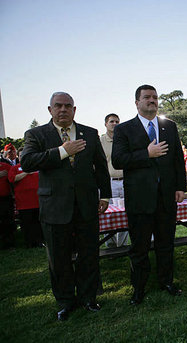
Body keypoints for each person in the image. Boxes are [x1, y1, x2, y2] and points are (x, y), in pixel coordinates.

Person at [20, 92, 111, 321]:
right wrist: (63, 151)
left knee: (88, 255)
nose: (63, 110)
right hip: (54, 207)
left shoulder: (89, 134)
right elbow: (27, 161)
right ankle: (65, 302)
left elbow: (100, 167)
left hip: (86, 206)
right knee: (59, 258)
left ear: (74, 109)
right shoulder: (36, 134)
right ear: (50, 109)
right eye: (58, 106)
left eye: (67, 106)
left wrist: (105, 196)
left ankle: (89, 298)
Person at [112, 85, 186, 305]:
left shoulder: (169, 127)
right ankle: (139, 288)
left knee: (166, 243)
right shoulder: (124, 129)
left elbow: (176, 159)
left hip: (166, 198)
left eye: (155, 97)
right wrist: (146, 153)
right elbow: (118, 160)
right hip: (139, 199)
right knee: (140, 247)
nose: (152, 100)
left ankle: (166, 282)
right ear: (137, 102)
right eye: (147, 97)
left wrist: (180, 186)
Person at [100, 113, 128, 248]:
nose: (115, 124)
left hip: (125, 181)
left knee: (125, 212)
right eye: (112, 121)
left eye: (117, 121)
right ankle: (110, 244)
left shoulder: (124, 139)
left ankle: (122, 245)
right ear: (106, 124)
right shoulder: (100, 141)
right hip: (109, 182)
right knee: (108, 214)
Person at [8, 156, 44, 248]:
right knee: (27, 223)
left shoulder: (37, 166)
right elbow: (12, 179)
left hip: (37, 201)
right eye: (21, 155)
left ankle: (39, 241)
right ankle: (29, 242)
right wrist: (26, 172)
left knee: (38, 222)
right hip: (24, 203)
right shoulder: (15, 168)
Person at [0, 160, 16, 249]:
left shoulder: (6, 166)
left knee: (7, 221)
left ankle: (9, 243)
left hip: (6, 199)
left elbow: (12, 178)